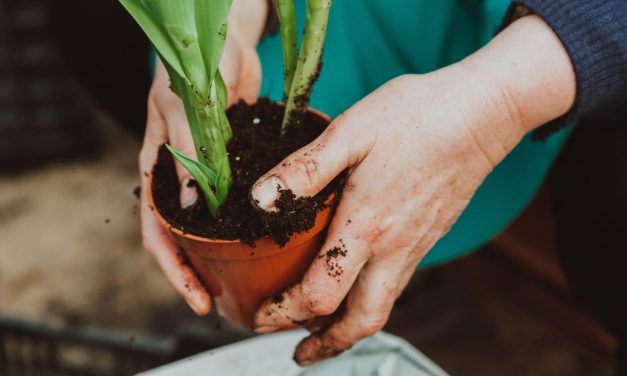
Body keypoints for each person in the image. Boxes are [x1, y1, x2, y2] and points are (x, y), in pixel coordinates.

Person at [51, 0, 627, 368]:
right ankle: (387, 283)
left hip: (546, 35)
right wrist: (227, 18)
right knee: (98, 18)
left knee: (610, 205)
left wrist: (500, 102)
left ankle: (402, 273)